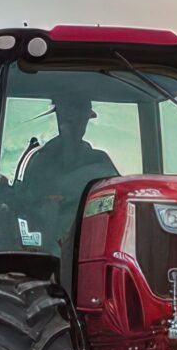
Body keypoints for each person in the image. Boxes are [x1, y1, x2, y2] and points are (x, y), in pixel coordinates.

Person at [12, 98, 119, 251]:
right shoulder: (41, 161)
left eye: (81, 119)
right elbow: (27, 207)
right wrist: (50, 201)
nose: (76, 124)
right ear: (59, 117)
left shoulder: (100, 161)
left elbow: (116, 199)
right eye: (69, 119)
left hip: (92, 241)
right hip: (50, 247)